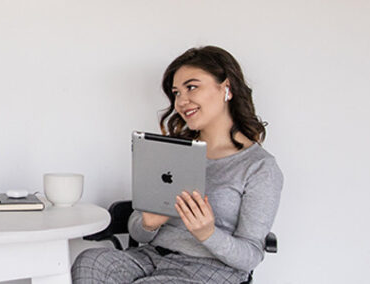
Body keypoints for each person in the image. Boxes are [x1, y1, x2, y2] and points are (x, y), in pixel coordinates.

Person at [72, 46, 283, 284]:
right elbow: (137, 228)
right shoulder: (170, 152)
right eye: (176, 93)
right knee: (91, 261)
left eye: (191, 87)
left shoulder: (259, 167)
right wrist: (149, 225)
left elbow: (251, 256)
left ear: (226, 88)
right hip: (151, 257)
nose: (181, 101)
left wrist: (208, 234)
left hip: (212, 270)